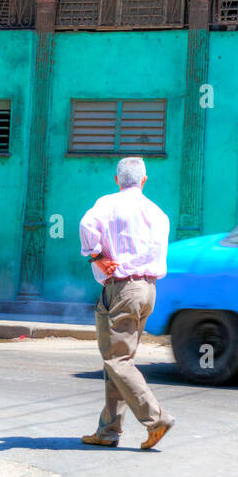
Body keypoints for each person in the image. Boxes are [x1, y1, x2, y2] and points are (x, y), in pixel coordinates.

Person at [78, 156, 175, 450]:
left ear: (117, 179)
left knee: (116, 360)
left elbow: (86, 223)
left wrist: (97, 256)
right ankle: (108, 431)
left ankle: (156, 418)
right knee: (119, 361)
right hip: (148, 290)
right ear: (144, 180)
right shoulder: (157, 212)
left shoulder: (108, 203)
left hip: (122, 288)